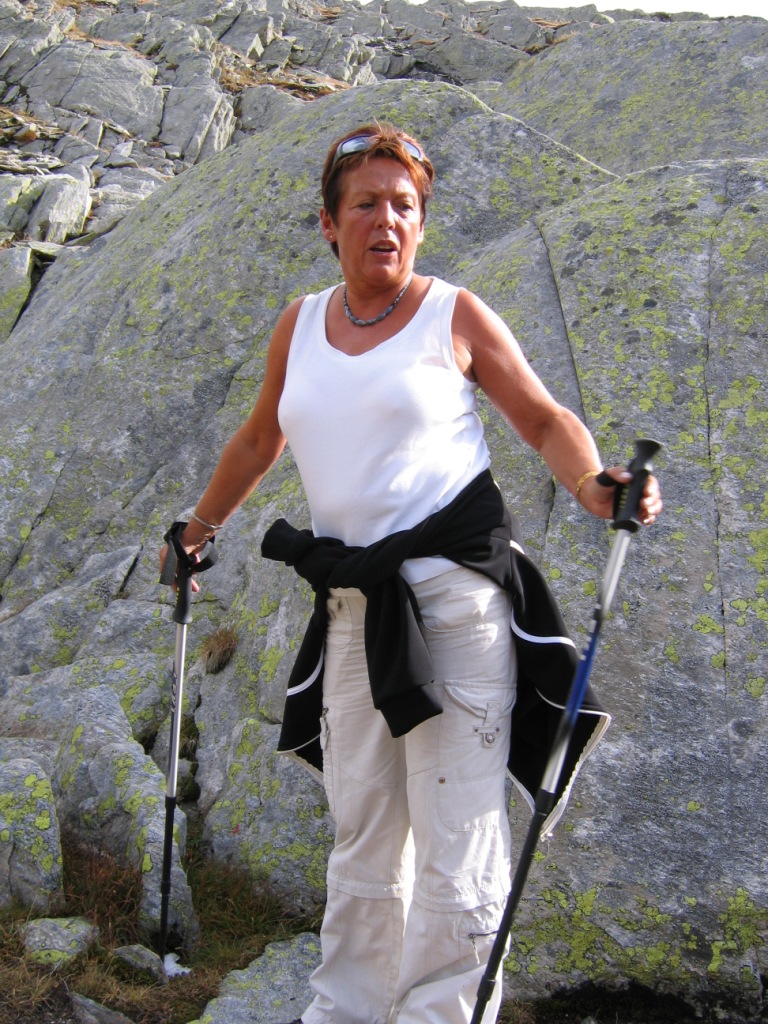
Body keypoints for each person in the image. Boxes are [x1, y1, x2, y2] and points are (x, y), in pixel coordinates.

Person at [161, 123, 662, 1024]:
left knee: (455, 832)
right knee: (361, 831)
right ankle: (344, 1011)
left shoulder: (452, 315)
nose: (386, 220)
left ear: (422, 223)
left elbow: (543, 418)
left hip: (456, 607)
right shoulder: (300, 324)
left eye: (404, 205)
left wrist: (593, 482)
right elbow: (259, 439)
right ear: (329, 222)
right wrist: (195, 535)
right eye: (366, 203)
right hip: (354, 609)